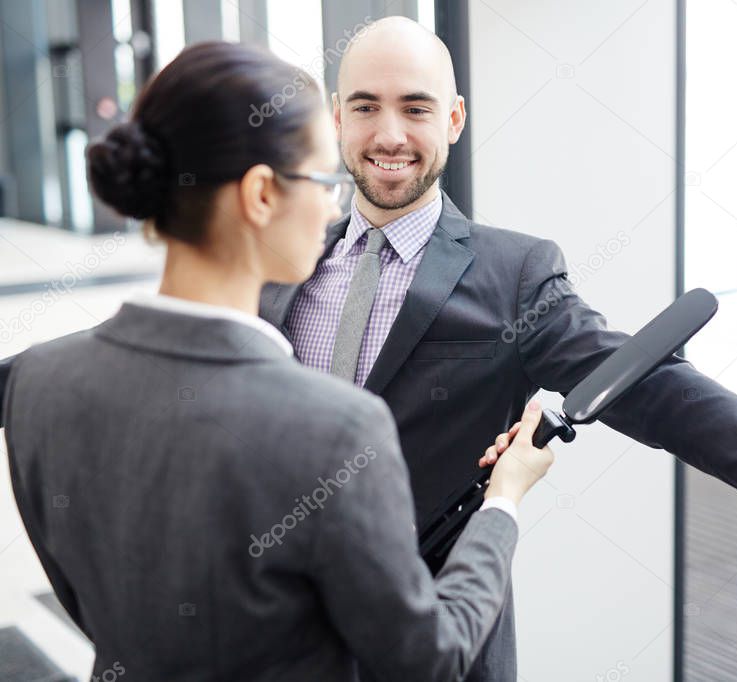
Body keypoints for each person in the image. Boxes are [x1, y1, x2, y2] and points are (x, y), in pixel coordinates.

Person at [258, 17, 737, 681]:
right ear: (335, 119)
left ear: (453, 119)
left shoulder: (510, 273)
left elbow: (657, 390)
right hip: (283, 633)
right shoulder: (280, 263)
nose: (389, 133)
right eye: (365, 106)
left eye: (415, 107)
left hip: (437, 635)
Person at [2, 41, 554, 682]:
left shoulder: (38, 382)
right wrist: (503, 501)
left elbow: (90, 603)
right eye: (324, 181)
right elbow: (432, 657)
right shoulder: (337, 429)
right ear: (261, 194)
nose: (333, 206)